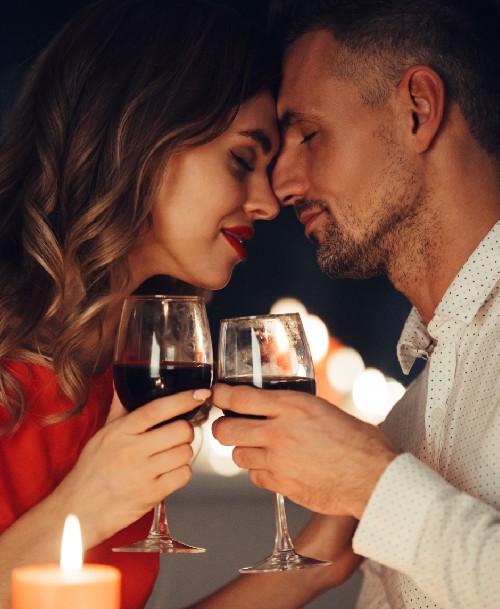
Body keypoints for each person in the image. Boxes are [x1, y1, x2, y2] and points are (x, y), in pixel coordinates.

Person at [201, 1, 500, 608]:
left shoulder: (384, 457)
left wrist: (373, 485)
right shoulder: (409, 419)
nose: (281, 185)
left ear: (419, 109)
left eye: (309, 134)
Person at [0, 1, 280, 607]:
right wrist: (84, 504)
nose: (268, 202)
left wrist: (312, 570)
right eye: (242, 159)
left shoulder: (133, 377)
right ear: (143, 133)